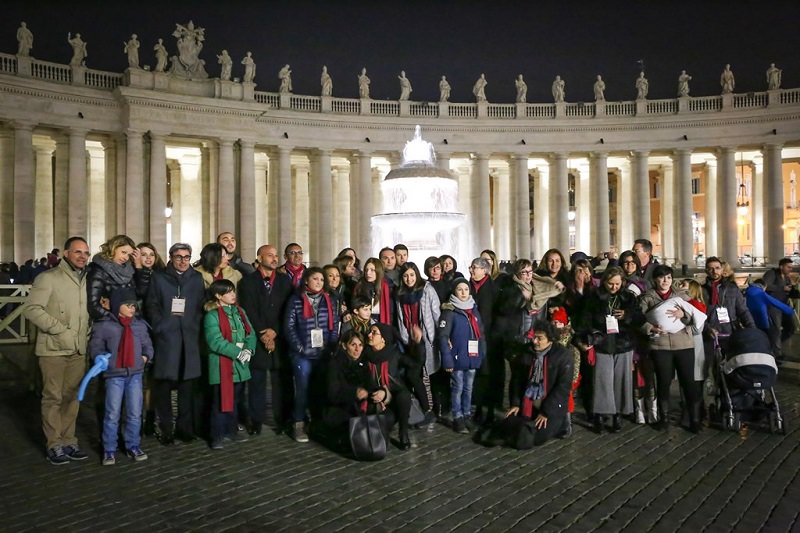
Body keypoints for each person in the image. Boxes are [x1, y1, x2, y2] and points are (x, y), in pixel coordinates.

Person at [23, 236, 91, 465]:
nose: (82, 256)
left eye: (86, 253)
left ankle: (69, 440)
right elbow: (32, 309)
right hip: (53, 348)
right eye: (77, 252)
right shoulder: (48, 278)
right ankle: (54, 444)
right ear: (65, 253)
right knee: (53, 397)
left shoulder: (88, 279)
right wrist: (59, 330)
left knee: (72, 396)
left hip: (79, 348)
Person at [144, 243, 206, 444]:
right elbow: (151, 304)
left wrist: (195, 325)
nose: (182, 261)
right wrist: (160, 326)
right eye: (178, 257)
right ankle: (166, 429)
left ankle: (184, 428)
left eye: (186, 257)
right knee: (163, 387)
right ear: (171, 257)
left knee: (187, 387)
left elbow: (199, 305)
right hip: (167, 339)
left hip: (189, 338)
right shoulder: (159, 277)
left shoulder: (196, 278)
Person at [575, 266, 644, 433]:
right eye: (610, 284)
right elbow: (584, 321)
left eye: (617, 284)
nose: (614, 287)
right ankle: (600, 414)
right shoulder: (593, 297)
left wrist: (627, 315)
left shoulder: (628, 298)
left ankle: (617, 414)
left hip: (622, 344)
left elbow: (640, 319)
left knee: (621, 381)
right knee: (602, 381)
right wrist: (590, 335)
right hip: (602, 344)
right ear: (604, 281)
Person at [483, 320, 573, 448]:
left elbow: (562, 387)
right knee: (511, 426)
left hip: (550, 405)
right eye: (534, 337)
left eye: (539, 338)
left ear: (550, 339)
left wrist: (546, 411)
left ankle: (561, 424)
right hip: (529, 404)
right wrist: (515, 403)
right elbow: (517, 379)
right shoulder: (526, 352)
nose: (535, 341)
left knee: (536, 437)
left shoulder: (563, 356)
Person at [89, 288, 153, 465]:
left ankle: (133, 445)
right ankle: (109, 448)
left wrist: (145, 357)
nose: (132, 308)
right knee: (112, 413)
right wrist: (102, 360)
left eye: (133, 305)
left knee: (134, 413)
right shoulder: (104, 325)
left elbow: (148, 345)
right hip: (114, 375)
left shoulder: (139, 325)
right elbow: (96, 348)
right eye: (127, 305)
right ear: (117, 306)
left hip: (136, 374)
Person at [640, 265, 704, 433]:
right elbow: (639, 319)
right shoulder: (647, 297)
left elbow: (695, 316)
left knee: (689, 382)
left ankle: (694, 419)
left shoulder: (682, 296)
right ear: (655, 279)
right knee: (663, 382)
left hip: (684, 343)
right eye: (661, 277)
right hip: (660, 345)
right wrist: (650, 328)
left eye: (668, 277)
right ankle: (664, 419)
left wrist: (684, 315)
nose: (665, 281)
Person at [238, 245, 294, 436]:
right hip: (257, 337)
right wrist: (263, 333)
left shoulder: (285, 281)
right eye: (270, 255)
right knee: (256, 382)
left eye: (276, 255)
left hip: (279, 338)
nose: (274, 259)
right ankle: (256, 421)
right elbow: (247, 309)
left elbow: (288, 309)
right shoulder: (247, 282)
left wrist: (275, 332)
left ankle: (282, 420)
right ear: (259, 257)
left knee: (281, 382)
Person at [494, 259, 564, 408]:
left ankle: (529, 407)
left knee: (530, 374)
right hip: (517, 339)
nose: (528, 275)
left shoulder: (537, 287)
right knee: (517, 375)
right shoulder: (511, 287)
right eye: (524, 272)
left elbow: (549, 297)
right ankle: (515, 406)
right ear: (517, 274)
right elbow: (504, 309)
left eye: (530, 271)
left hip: (534, 339)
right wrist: (521, 298)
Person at [284, 267, 340, 443]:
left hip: (323, 352)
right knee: (302, 389)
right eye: (315, 279)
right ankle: (298, 423)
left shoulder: (328, 299)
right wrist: (300, 348)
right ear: (306, 281)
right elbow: (289, 327)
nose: (319, 282)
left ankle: (318, 423)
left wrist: (331, 345)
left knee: (321, 388)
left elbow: (334, 323)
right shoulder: (296, 300)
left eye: (322, 280)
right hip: (303, 353)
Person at [203, 279, 255, 449]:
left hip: (240, 366)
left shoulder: (240, 312)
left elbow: (250, 333)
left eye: (233, 291)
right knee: (220, 402)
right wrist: (237, 352)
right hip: (222, 365)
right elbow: (215, 341)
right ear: (218, 295)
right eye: (228, 292)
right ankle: (216, 435)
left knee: (236, 400)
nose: (233, 295)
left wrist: (249, 350)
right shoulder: (211, 316)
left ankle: (231, 431)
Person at [324, 331, 393, 451]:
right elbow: (332, 394)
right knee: (351, 423)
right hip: (340, 408)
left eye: (360, 345)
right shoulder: (334, 364)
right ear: (345, 346)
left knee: (389, 416)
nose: (357, 349)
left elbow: (370, 385)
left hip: (360, 406)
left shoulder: (362, 363)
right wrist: (354, 393)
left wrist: (381, 393)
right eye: (353, 345)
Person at [394, 262, 440, 424]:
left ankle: (429, 410)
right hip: (409, 341)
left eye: (412, 275)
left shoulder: (427, 290)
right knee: (415, 375)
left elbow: (436, 314)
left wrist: (436, 338)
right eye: (405, 276)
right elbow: (400, 319)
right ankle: (421, 411)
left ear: (417, 274)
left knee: (416, 374)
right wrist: (407, 339)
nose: (409, 279)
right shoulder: (400, 294)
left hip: (425, 340)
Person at [439, 278, 486, 433]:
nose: (463, 293)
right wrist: (447, 359)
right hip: (457, 358)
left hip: (472, 357)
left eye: (466, 289)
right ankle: (457, 416)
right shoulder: (450, 311)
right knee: (457, 387)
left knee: (469, 388)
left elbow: (481, 334)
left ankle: (467, 415)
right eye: (460, 289)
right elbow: (443, 336)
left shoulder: (473, 309)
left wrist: (482, 353)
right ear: (454, 291)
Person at [700, 257, 756, 376]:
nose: (714, 271)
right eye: (710, 269)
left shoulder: (732, 288)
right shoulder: (702, 290)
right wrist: (707, 328)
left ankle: (728, 392)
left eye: (717, 268)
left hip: (730, 332)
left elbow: (743, 311)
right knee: (711, 367)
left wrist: (752, 329)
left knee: (731, 366)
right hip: (710, 335)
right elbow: (699, 315)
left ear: (722, 269)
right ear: (706, 271)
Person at [364, 323, 413, 449]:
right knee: (386, 420)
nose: (369, 335)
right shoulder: (364, 355)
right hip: (373, 401)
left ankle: (404, 435)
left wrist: (418, 345)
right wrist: (377, 394)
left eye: (374, 333)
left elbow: (415, 363)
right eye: (370, 332)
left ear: (383, 339)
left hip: (392, 398)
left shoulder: (393, 354)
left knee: (404, 395)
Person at [468, 257, 500, 425]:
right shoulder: (468, 286)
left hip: (488, 336)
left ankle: (490, 409)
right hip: (472, 336)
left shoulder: (493, 288)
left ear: (484, 270)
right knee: (477, 372)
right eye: (471, 267)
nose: (472, 270)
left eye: (475, 268)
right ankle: (478, 407)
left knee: (488, 373)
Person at [87, 234, 138, 322]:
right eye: (123, 252)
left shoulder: (130, 269)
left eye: (129, 255)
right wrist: (113, 317)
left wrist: (139, 266)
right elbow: (93, 305)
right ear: (113, 248)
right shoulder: (98, 270)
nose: (126, 258)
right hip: (108, 322)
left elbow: (136, 296)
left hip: (128, 321)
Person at [746, 278, 794, 359]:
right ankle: (770, 358)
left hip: (749, 322)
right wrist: (790, 311)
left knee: (756, 340)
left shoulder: (746, 292)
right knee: (771, 339)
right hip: (763, 322)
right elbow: (776, 303)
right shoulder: (761, 294)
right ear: (763, 286)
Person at [760, 258, 796, 359]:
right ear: (781, 266)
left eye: (791, 267)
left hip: (784, 306)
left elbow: (788, 291)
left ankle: (772, 346)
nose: (790, 269)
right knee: (776, 330)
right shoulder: (771, 273)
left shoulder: (787, 277)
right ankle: (776, 354)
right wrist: (781, 288)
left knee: (791, 328)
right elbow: (764, 286)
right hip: (773, 306)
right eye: (788, 267)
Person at [352, 257, 394, 325]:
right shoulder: (359, 286)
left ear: (378, 271)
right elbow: (354, 305)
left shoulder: (388, 287)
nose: (368, 273)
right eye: (366, 270)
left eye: (372, 270)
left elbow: (391, 311)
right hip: (362, 322)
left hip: (382, 322)